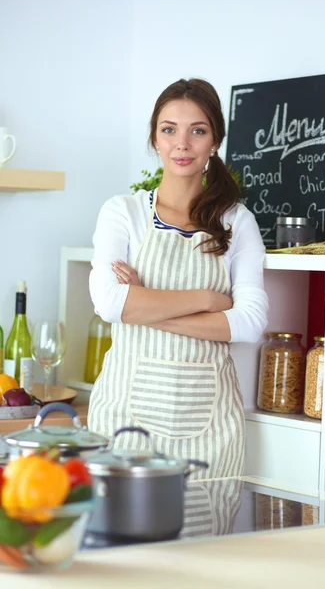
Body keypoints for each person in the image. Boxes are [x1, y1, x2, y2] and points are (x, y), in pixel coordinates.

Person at [87, 78, 268, 479]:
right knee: (124, 538)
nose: (181, 144)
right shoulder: (124, 213)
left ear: (215, 140)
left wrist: (144, 303)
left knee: (204, 537)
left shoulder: (237, 222)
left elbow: (250, 323)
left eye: (197, 131)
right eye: (169, 129)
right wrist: (208, 299)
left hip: (209, 431)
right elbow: (110, 303)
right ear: (154, 138)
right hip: (124, 422)